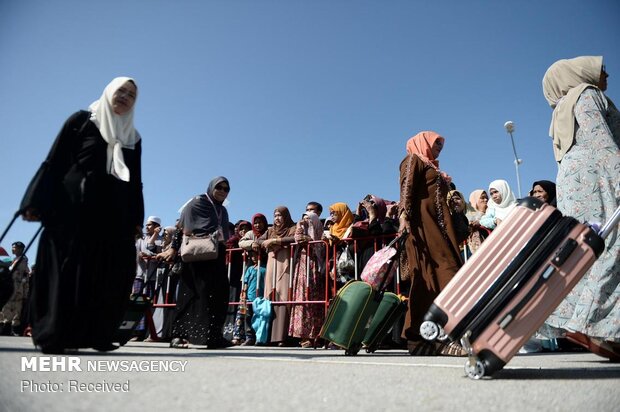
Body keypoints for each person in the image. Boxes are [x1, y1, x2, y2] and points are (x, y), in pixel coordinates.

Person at [19, 77, 144, 353]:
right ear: (109, 91)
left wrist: (136, 219)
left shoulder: (133, 138)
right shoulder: (82, 120)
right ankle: (55, 334)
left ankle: (96, 334)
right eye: (121, 90)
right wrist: (35, 201)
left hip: (112, 218)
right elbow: (55, 159)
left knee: (107, 273)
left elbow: (135, 181)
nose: (125, 97)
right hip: (71, 210)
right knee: (67, 271)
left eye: (132, 95)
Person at [541, 55, 620, 360]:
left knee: (585, 252)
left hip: (575, 182)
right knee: (610, 247)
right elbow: (602, 141)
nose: (607, 72)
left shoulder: (562, 106)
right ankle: (593, 325)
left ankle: (591, 325)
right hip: (597, 176)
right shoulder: (586, 94)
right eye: (600, 68)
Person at [398, 131, 464, 356]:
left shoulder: (434, 169)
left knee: (445, 278)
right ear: (423, 142)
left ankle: (421, 339)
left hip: (440, 233)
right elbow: (406, 188)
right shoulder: (414, 160)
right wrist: (403, 216)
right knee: (431, 280)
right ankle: (432, 338)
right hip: (422, 231)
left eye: (441, 146)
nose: (439, 148)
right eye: (436, 144)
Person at [168, 177, 232, 349]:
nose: (222, 191)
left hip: (215, 256)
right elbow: (181, 227)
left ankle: (212, 336)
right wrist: (173, 249)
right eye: (219, 187)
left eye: (226, 189)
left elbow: (224, 235)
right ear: (211, 187)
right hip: (196, 254)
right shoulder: (197, 202)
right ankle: (178, 336)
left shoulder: (222, 210)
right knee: (190, 294)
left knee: (217, 295)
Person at [255, 206, 297, 346]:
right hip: (272, 265)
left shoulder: (292, 227)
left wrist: (276, 241)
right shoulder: (270, 230)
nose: (277, 218)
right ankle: (268, 336)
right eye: (275, 215)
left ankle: (282, 337)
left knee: (284, 296)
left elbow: (294, 238)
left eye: (280, 215)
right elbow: (259, 240)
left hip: (285, 265)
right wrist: (267, 242)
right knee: (270, 296)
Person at [289, 211, 326, 348]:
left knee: (314, 301)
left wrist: (309, 239)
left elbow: (320, 245)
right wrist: (300, 226)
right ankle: (303, 335)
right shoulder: (301, 229)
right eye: (303, 219)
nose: (305, 222)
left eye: (308, 220)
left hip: (314, 266)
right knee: (302, 299)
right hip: (302, 265)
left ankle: (315, 335)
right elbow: (298, 238)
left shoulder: (320, 233)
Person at [232, 250, 266, 346]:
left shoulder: (265, 268)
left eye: (255, 255)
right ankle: (247, 337)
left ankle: (257, 337)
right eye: (251, 256)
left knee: (257, 317)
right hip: (248, 297)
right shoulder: (250, 269)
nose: (253, 258)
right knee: (246, 316)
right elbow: (245, 282)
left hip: (259, 297)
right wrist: (243, 293)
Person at [0, 241, 30, 336]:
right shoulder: (16, 259)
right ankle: (7, 327)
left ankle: (11, 328)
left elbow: (14, 271)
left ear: (20, 249)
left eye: (14, 247)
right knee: (9, 307)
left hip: (16, 287)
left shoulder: (22, 260)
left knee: (14, 307)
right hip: (15, 286)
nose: (13, 249)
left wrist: (4, 265)